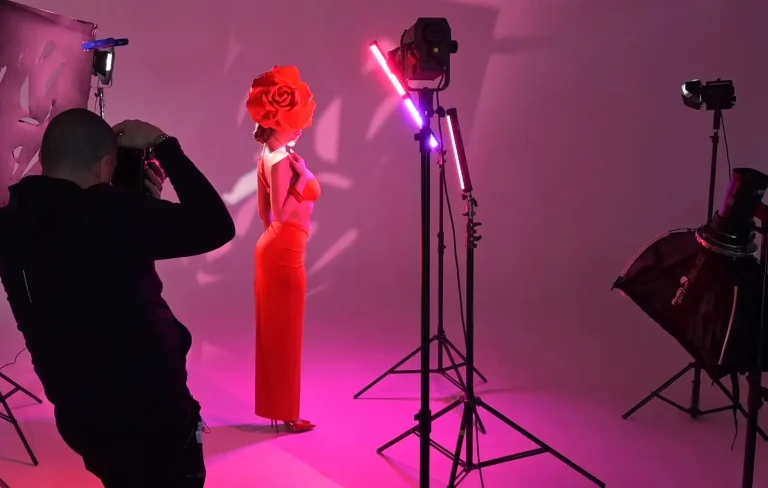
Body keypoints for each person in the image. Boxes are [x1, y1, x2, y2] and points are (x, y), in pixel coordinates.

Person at [0, 108, 235, 487]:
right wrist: (163, 144)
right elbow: (216, 226)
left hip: (81, 418)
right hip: (151, 422)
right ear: (106, 164)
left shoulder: (11, 221)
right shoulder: (115, 214)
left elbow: (94, 269)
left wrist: (138, 207)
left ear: (43, 157)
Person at [246, 66, 319, 433]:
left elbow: (264, 214)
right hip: (284, 255)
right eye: (295, 121)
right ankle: (288, 414)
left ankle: (282, 410)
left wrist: (274, 242)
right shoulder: (280, 161)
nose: (301, 127)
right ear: (276, 121)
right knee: (285, 335)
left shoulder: (269, 153)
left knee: (277, 334)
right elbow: (278, 213)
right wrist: (302, 179)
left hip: (276, 250)